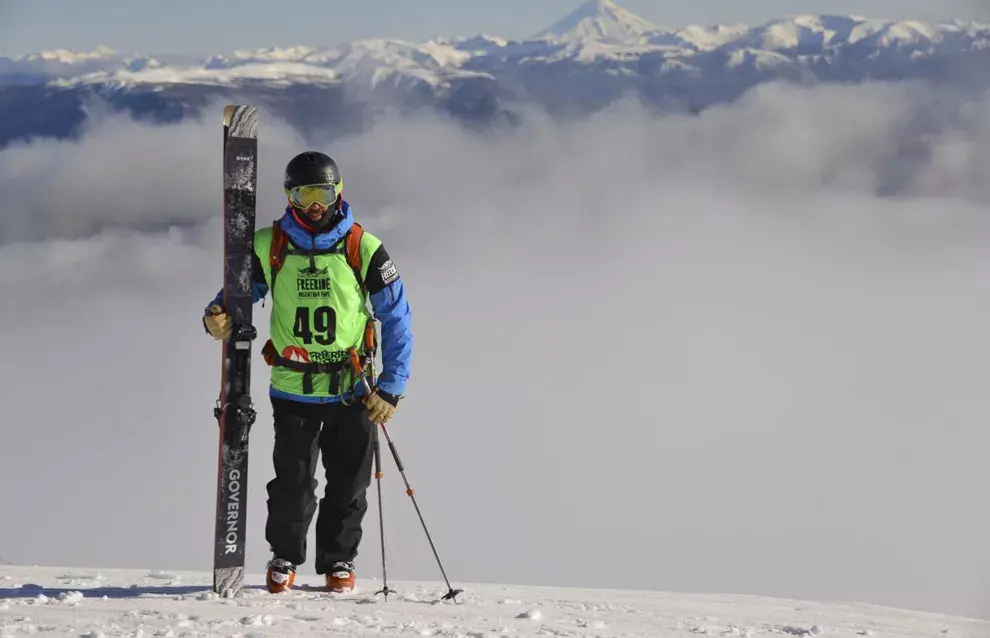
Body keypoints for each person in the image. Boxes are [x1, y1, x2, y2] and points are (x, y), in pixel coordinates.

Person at [202, 151, 413, 594]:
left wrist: (391, 390)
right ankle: (284, 555)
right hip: (293, 386)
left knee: (349, 484)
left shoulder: (364, 248)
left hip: (353, 388)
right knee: (293, 483)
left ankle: (339, 560)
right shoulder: (270, 245)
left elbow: (396, 318)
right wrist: (215, 317)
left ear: (338, 192)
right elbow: (234, 298)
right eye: (302, 194)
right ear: (290, 196)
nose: (313, 204)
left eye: (321, 192)